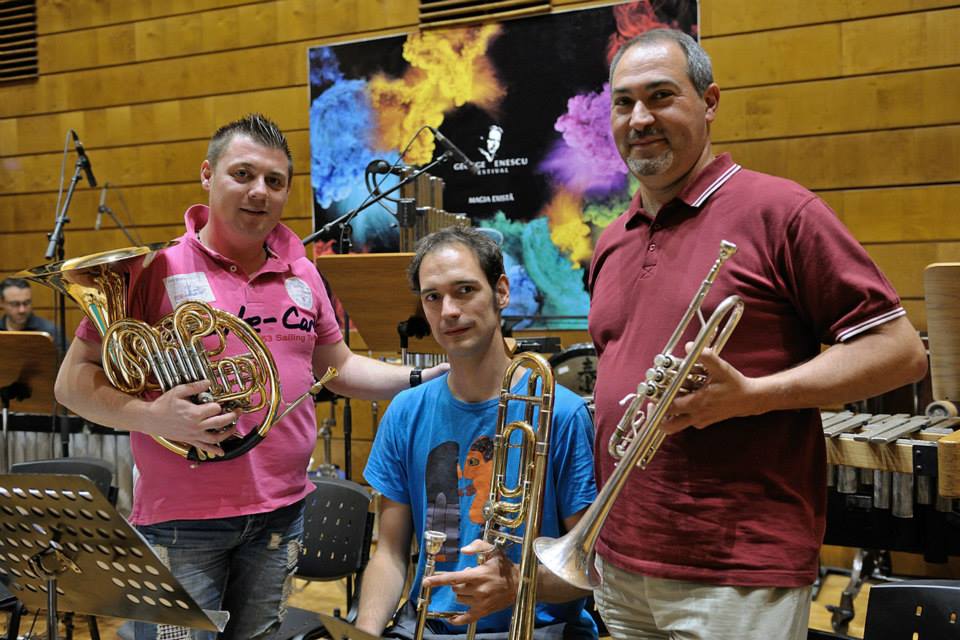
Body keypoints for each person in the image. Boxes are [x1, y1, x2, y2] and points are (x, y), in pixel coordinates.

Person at [587, 29, 928, 639]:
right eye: (623, 102)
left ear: (709, 101)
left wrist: (753, 396)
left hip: (737, 568)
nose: (639, 119)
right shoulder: (613, 239)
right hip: (623, 558)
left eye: (661, 96)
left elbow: (898, 352)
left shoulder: (781, 211)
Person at [53, 113, 445, 640]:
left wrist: (422, 378)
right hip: (182, 522)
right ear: (207, 175)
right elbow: (71, 384)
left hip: (281, 514)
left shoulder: (303, 272)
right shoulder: (155, 270)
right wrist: (151, 415)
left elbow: (340, 368)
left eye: (274, 181)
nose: (259, 191)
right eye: (243, 174)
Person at [356, 226, 599, 639]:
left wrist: (519, 584)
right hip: (430, 628)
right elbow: (390, 555)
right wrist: (365, 633)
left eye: (465, 290)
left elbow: (591, 570)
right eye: (433, 297)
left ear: (501, 292)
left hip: (535, 630)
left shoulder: (562, 413)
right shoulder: (405, 412)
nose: (448, 310)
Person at [0, 278, 64, 348]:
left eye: (26, 303)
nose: (22, 310)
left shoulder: (50, 331)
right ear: (1, 302)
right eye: (15, 304)